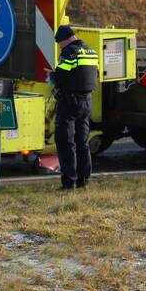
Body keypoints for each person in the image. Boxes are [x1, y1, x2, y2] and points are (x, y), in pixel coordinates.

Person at [49, 24, 99, 190]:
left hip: (69, 102)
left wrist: (51, 75)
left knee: (65, 142)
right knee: (82, 142)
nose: (60, 46)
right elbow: (93, 74)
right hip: (86, 102)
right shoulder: (91, 51)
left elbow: (60, 76)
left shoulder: (70, 52)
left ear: (66, 39)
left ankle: (69, 181)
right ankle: (84, 180)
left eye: (60, 43)